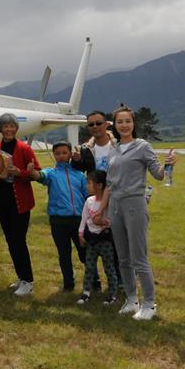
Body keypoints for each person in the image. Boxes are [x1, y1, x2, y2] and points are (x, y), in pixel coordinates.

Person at [99, 105, 176, 321]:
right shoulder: (114, 149)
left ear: (134, 123)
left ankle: (149, 304)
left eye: (128, 121)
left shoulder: (142, 146)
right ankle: (132, 300)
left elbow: (158, 175)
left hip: (134, 203)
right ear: (115, 125)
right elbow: (110, 182)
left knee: (138, 257)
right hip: (115, 205)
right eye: (120, 121)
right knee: (123, 257)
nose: (124, 125)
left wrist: (167, 166)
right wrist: (103, 209)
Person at [0, 113, 40, 296]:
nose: (9, 130)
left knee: (19, 241)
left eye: (12, 126)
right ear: (0, 129)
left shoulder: (25, 149)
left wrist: (20, 173)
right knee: (10, 241)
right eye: (5, 126)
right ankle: (21, 277)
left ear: (16, 128)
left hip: (20, 203)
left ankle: (28, 281)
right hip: (2, 202)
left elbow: (37, 173)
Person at [27, 141, 90, 293]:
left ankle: (93, 281)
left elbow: (87, 196)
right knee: (64, 253)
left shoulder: (80, 175)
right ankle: (68, 283)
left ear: (70, 154)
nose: (61, 156)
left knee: (85, 253)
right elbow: (40, 176)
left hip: (78, 220)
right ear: (54, 155)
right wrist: (32, 172)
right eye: (58, 153)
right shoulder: (51, 173)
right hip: (58, 221)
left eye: (64, 153)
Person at [71, 109, 121, 289]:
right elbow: (80, 168)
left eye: (98, 123)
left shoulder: (118, 145)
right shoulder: (86, 148)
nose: (94, 127)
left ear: (107, 124)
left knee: (117, 241)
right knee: (94, 238)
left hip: (117, 198)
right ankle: (95, 281)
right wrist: (76, 160)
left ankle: (120, 281)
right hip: (96, 199)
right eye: (90, 124)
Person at [77, 170, 119, 305]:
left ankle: (112, 295)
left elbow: (112, 220)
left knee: (109, 268)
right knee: (89, 267)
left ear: (100, 185)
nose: (87, 186)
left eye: (89, 183)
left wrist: (103, 222)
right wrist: (81, 234)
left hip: (105, 241)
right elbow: (84, 219)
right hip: (91, 242)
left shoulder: (109, 202)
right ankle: (86, 293)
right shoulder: (89, 201)